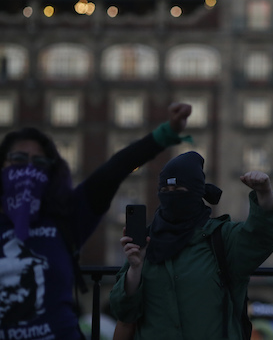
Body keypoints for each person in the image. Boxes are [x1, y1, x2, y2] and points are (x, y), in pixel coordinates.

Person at [0, 102, 192, 339]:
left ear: (51, 171)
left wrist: (166, 133)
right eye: (19, 159)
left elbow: (115, 169)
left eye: (39, 163)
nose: (28, 168)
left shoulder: (68, 216)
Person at [109, 151, 273, 340]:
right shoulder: (146, 243)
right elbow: (124, 312)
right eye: (165, 191)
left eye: (179, 190)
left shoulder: (221, 238)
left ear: (195, 192)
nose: (171, 197)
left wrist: (264, 193)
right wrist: (135, 269)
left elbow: (264, 234)